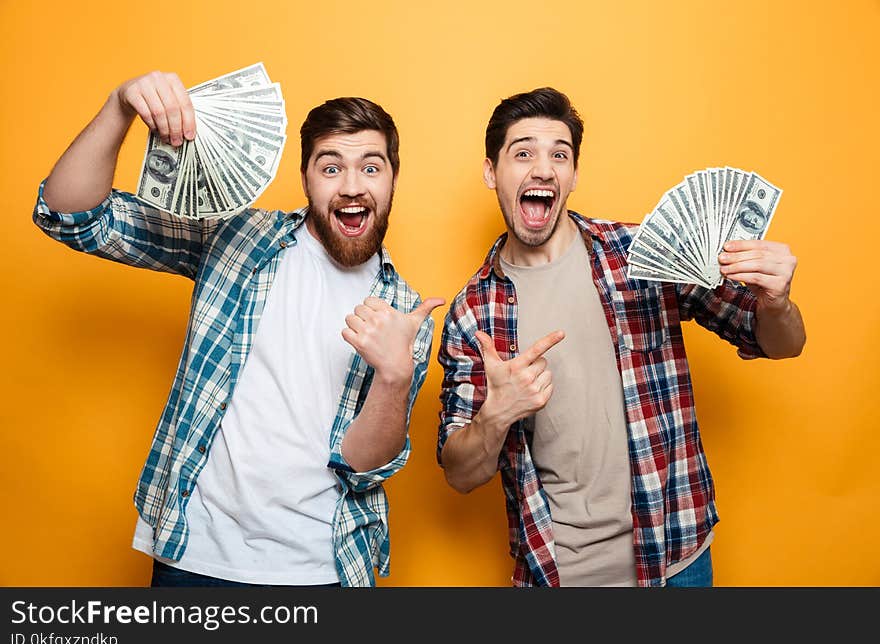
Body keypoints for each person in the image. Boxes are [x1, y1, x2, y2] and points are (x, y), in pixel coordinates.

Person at [33, 70, 444, 587]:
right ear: (305, 178)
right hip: (196, 558)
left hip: (322, 569)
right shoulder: (236, 239)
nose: (352, 186)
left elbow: (363, 466)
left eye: (371, 167)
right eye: (331, 167)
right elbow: (72, 216)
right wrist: (120, 106)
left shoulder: (406, 314)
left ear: (392, 179)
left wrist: (394, 376)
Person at [436, 87, 805, 587]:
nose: (542, 169)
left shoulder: (642, 257)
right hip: (560, 573)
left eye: (559, 155)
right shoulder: (473, 312)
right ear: (490, 172)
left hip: (678, 559)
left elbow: (781, 342)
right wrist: (497, 412)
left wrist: (776, 302)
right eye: (522, 152)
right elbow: (459, 473)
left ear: (573, 175)